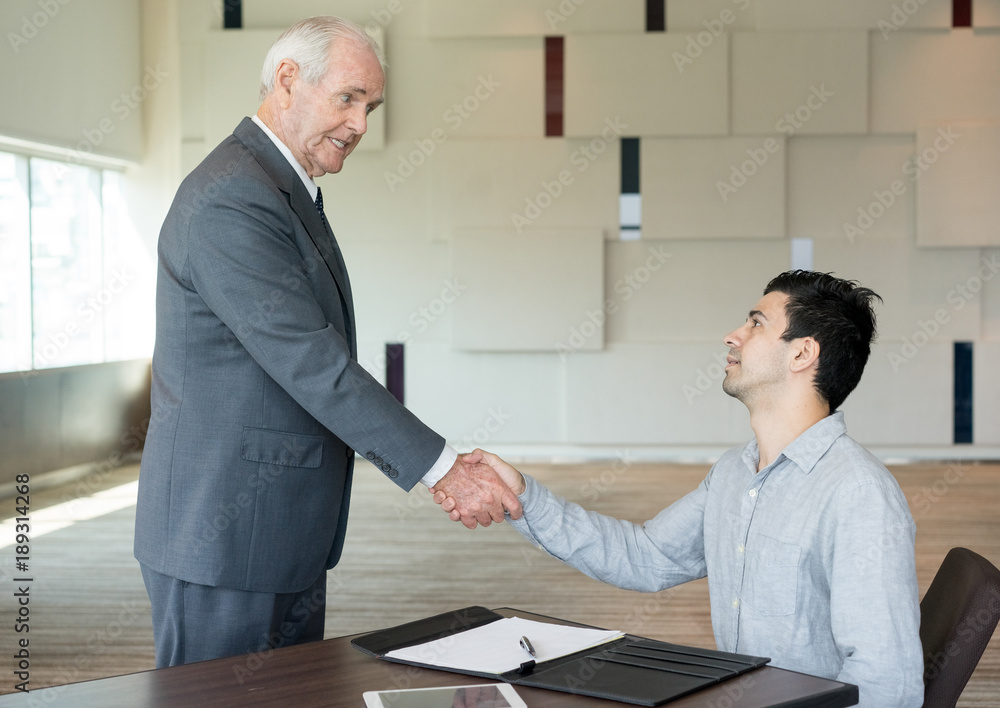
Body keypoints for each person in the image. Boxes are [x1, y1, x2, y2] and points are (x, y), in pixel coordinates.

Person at [133, 16, 519, 668]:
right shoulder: (233, 198)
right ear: (287, 81)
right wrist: (443, 467)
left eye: (370, 106)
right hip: (226, 538)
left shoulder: (280, 190)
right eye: (348, 98)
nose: (361, 124)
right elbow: (313, 363)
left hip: (276, 537)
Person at [435, 270, 924, 707]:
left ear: (802, 353)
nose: (732, 335)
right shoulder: (735, 472)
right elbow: (645, 556)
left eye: (756, 323)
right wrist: (524, 495)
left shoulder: (858, 492)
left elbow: (888, 684)